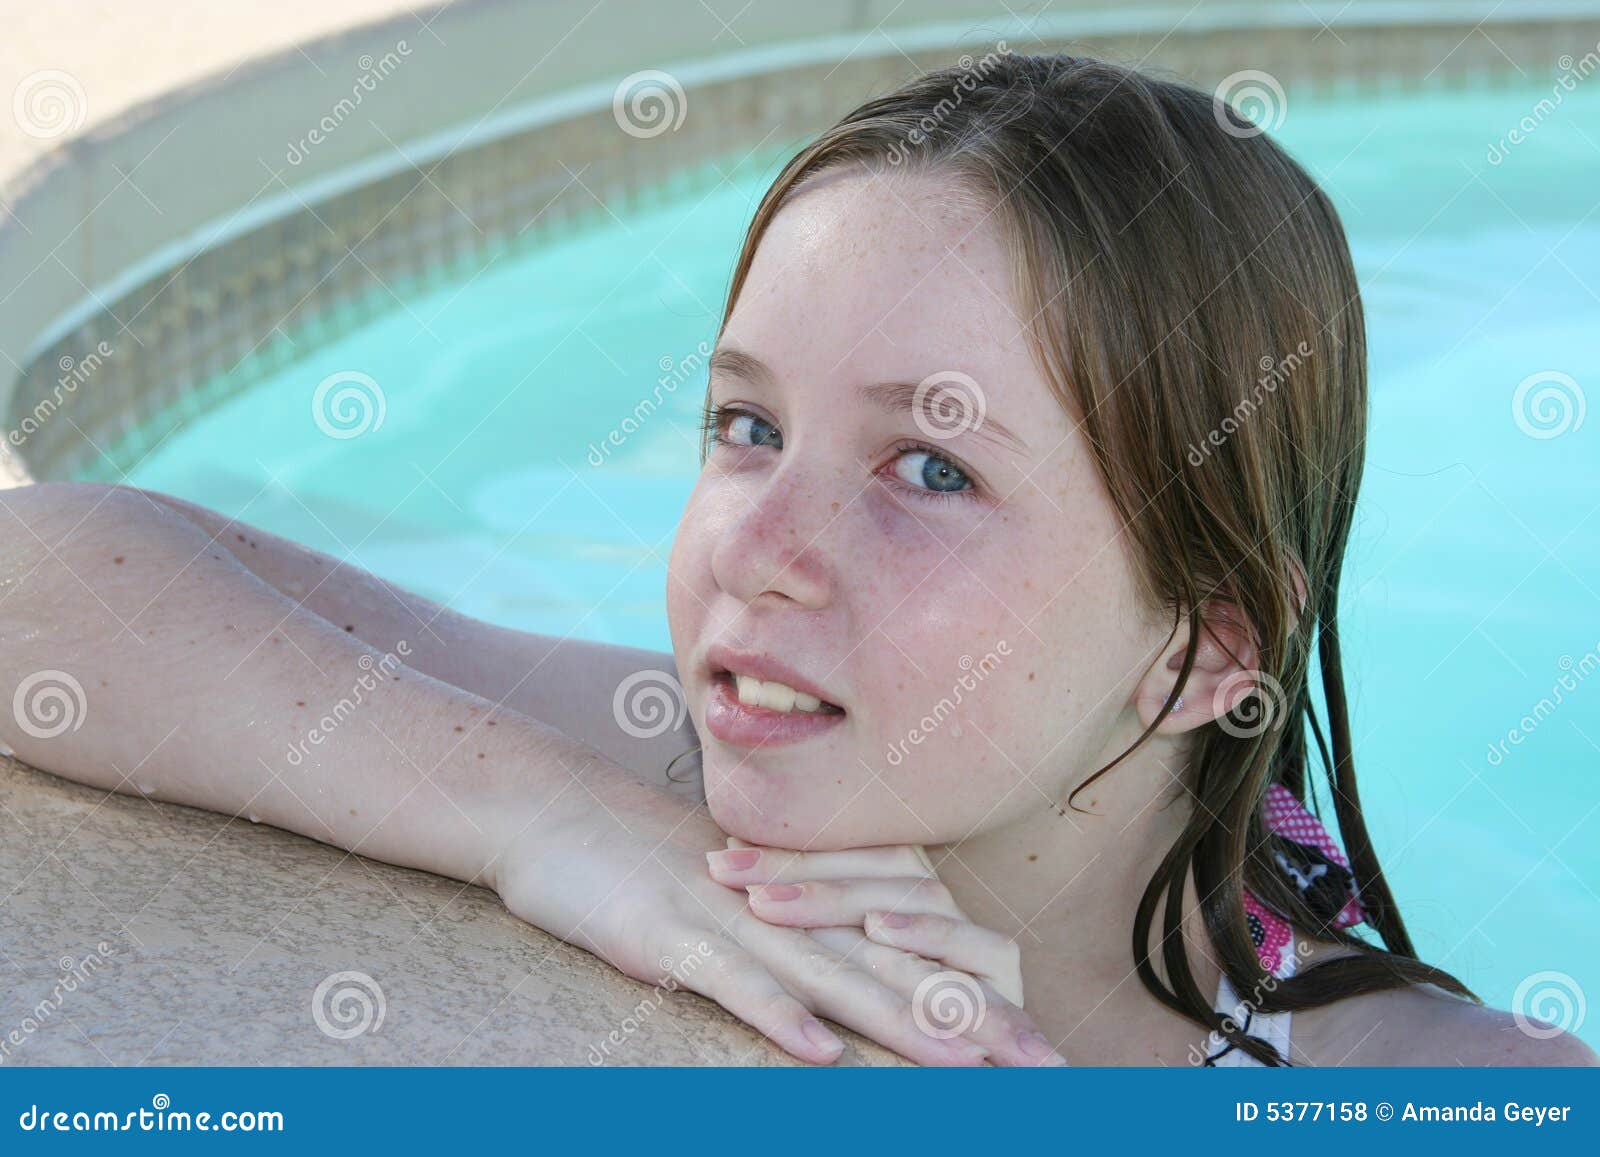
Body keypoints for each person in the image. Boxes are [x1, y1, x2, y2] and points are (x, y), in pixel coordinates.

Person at [1, 52, 1592, 1068]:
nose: (757, 551)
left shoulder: (1440, 1085)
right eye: (747, 424)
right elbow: (42, 571)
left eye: (929, 467)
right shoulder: (661, 760)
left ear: (1203, 650)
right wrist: (549, 820)